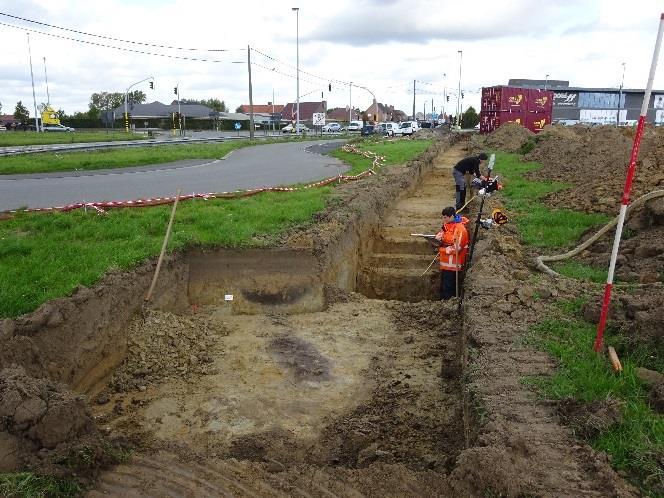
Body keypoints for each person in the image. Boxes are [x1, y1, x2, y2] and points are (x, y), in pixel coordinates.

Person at [429, 206, 470, 300]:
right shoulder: (447, 225)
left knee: (449, 287)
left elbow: (457, 248)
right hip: (445, 264)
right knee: (444, 285)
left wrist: (442, 249)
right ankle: (443, 302)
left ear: (451, 216)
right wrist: (438, 237)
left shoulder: (460, 230)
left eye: (445, 217)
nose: (443, 219)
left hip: (453, 265)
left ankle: (448, 304)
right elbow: (444, 233)